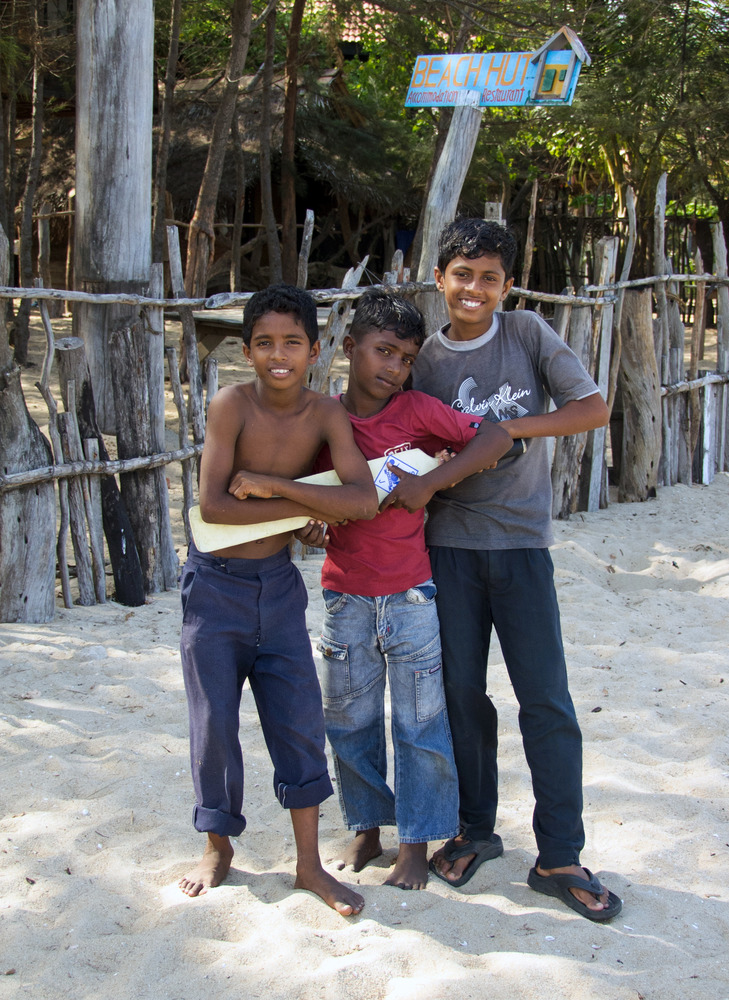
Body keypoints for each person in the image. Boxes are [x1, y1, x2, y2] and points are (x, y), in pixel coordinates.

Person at [411, 218, 622, 921]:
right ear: (440, 278)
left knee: (548, 701)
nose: (474, 289)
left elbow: (592, 408)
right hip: (448, 548)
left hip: (523, 547)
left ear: (507, 286)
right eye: (462, 275)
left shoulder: (527, 334)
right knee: (464, 696)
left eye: (489, 278)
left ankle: (559, 852)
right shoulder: (424, 360)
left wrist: (511, 430)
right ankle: (475, 831)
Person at [178, 284, 378, 916]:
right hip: (214, 591)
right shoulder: (230, 407)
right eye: (264, 343)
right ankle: (217, 847)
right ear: (246, 351)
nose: (279, 354)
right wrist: (301, 511)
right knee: (214, 726)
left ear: (315, 351)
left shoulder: (325, 414)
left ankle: (309, 865)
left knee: (298, 724)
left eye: (292, 341)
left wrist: (271, 490)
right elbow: (213, 505)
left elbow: (363, 499)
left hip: (280, 592)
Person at [313, 287, 513, 890]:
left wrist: (433, 483)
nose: (393, 369)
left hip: (411, 595)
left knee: (421, 725)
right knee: (350, 721)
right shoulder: (324, 418)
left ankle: (414, 844)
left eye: (404, 357)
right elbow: (304, 489)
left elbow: (495, 438)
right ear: (349, 348)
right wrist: (309, 519)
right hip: (343, 594)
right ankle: (368, 826)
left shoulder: (420, 411)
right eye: (382, 352)